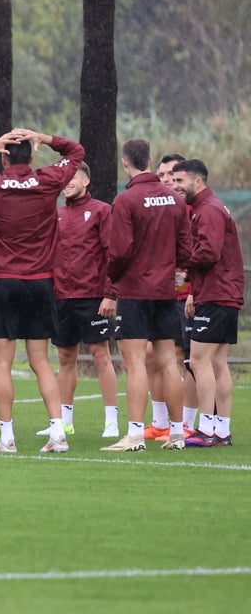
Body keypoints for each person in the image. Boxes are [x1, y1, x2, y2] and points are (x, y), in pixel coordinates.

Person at [0, 128, 83, 453]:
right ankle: (58, 434)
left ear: (5, 156)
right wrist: (45, 137)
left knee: (4, 363)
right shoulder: (48, 180)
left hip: (2, 282)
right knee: (41, 362)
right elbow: (76, 152)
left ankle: (7, 438)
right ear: (33, 155)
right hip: (39, 282)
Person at [102, 138, 191, 451]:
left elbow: (119, 251)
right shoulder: (175, 201)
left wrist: (112, 278)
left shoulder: (125, 200)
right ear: (151, 160)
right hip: (165, 292)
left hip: (135, 290)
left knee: (135, 363)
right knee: (169, 362)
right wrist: (171, 271)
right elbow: (186, 250)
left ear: (126, 163)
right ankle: (178, 433)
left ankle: (136, 435)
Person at [172, 159, 244, 447]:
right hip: (223, 293)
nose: (175, 186)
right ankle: (222, 431)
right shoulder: (210, 207)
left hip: (216, 293)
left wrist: (177, 261)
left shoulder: (208, 210)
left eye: (180, 181)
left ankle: (205, 430)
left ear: (197, 182)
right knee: (217, 363)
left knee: (199, 361)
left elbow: (209, 252)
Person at [47, 163, 120, 438]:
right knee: (65, 357)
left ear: (86, 181)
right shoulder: (55, 214)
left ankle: (111, 421)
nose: (67, 182)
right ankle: (64, 422)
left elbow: (112, 254)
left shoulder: (102, 210)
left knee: (101, 354)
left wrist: (109, 294)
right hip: (60, 297)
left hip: (92, 297)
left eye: (73, 177)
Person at [146, 153, 198, 439]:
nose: (167, 180)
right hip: (161, 294)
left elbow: (196, 256)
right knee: (152, 356)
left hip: (184, 296)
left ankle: (188, 423)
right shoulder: (158, 207)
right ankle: (160, 422)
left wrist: (191, 290)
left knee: (186, 358)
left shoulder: (190, 208)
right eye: (163, 175)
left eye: (173, 176)